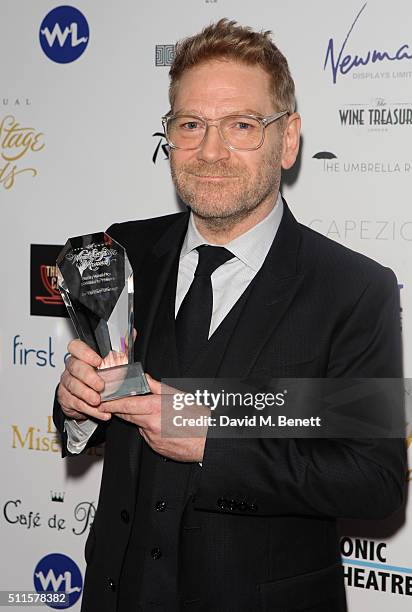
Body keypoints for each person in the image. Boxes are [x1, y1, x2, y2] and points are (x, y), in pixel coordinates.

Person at [53, 19, 406, 612]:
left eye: (241, 125)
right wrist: (76, 407)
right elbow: (82, 430)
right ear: (169, 136)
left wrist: (211, 442)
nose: (210, 150)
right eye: (191, 125)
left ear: (288, 138)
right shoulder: (121, 252)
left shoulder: (353, 289)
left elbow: (374, 481)